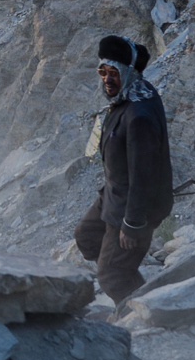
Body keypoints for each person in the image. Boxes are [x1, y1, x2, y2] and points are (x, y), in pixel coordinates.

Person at [74, 35, 173, 307]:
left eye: (114, 72)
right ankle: (131, 279)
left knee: (112, 275)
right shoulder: (130, 94)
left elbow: (144, 177)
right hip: (115, 194)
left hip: (136, 205)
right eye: (103, 71)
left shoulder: (139, 115)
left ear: (129, 72)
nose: (107, 79)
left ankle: (148, 313)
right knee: (86, 237)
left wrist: (132, 225)